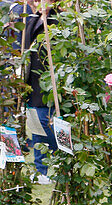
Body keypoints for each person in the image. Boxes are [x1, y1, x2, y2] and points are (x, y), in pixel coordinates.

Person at [17, 1, 56, 185]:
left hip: (51, 81)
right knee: (36, 125)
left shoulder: (57, 19)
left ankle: (57, 156)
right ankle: (42, 170)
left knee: (45, 122)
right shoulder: (30, 19)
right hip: (32, 81)